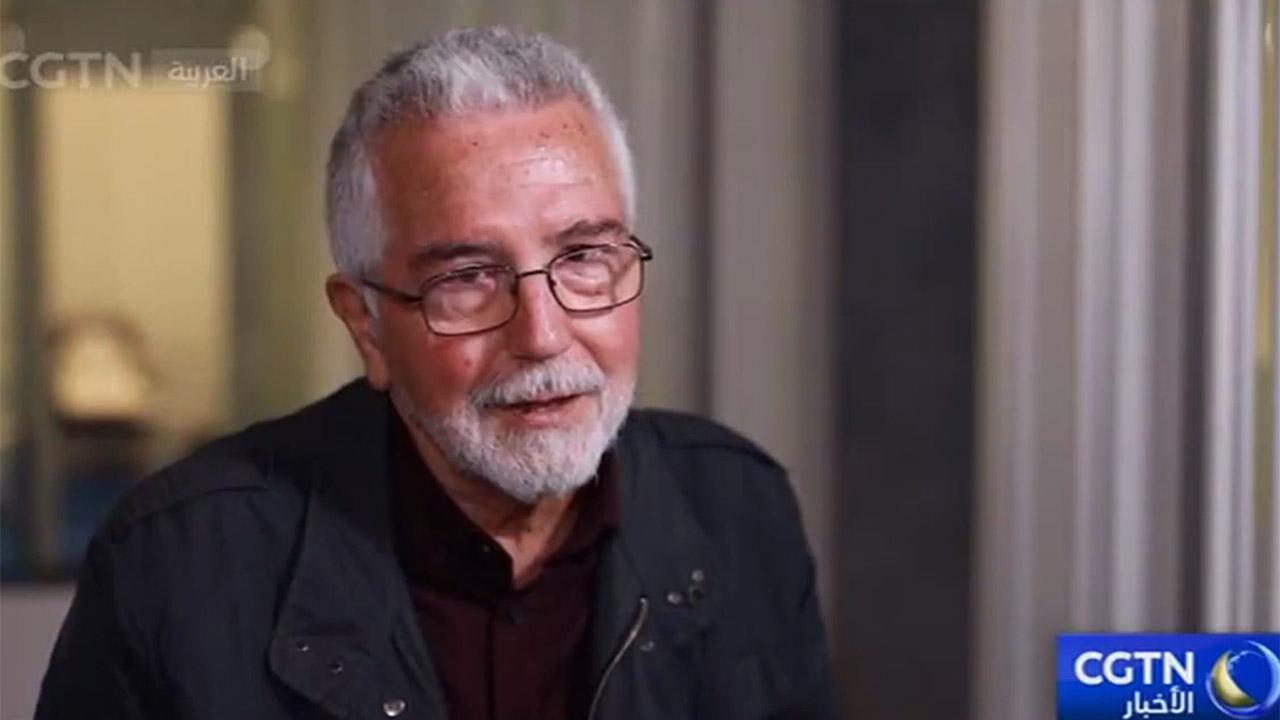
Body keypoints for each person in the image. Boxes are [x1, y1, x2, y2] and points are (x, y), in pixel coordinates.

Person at [36, 26, 837, 720]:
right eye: (468, 278)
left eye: (584, 257)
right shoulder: (177, 566)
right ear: (366, 324)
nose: (543, 335)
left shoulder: (739, 509)